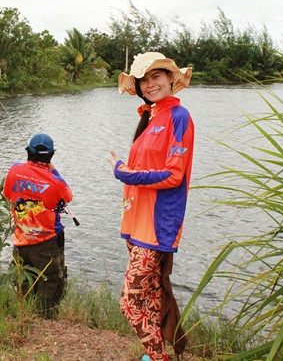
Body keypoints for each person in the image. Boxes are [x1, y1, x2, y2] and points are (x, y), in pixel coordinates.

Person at [107, 52, 193, 361]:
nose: (150, 84)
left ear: (171, 78)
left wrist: (124, 173)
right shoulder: (150, 117)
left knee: (129, 302)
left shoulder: (178, 117)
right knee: (152, 292)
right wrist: (124, 169)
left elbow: (174, 174)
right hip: (136, 220)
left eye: (156, 76)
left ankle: (158, 357)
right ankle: (153, 354)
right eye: (144, 80)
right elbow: (144, 169)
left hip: (157, 224)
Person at [3, 133, 74, 318]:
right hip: (47, 242)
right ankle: (45, 321)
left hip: (21, 239)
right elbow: (68, 197)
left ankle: (25, 315)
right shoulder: (55, 182)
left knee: (24, 280)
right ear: (51, 155)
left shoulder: (13, 171)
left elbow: (7, 194)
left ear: (29, 151)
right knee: (51, 283)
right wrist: (53, 171)